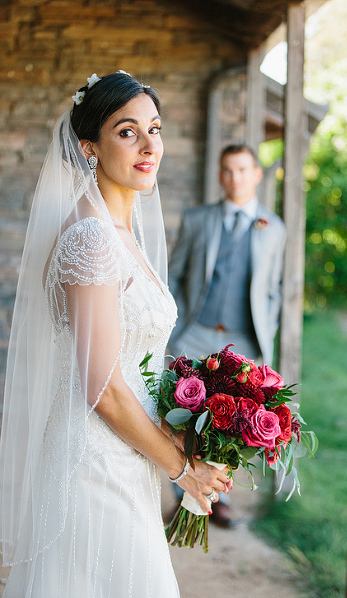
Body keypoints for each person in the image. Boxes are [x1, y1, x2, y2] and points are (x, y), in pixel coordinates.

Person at [0, 71, 231, 596]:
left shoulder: (121, 234)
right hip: (95, 465)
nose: (150, 145)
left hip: (131, 453)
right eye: (127, 132)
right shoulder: (90, 238)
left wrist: (188, 428)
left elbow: (136, 357)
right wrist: (182, 469)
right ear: (89, 149)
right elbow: (101, 387)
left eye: (154, 128)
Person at [166, 143, 285, 527]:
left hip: (245, 342)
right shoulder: (198, 219)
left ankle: (217, 499)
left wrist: (269, 326)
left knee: (234, 424)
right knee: (180, 417)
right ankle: (183, 493)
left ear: (257, 174)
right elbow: (175, 272)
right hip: (196, 333)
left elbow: (273, 289)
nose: (235, 177)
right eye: (228, 170)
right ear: (220, 175)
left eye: (242, 169)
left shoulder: (274, 227)